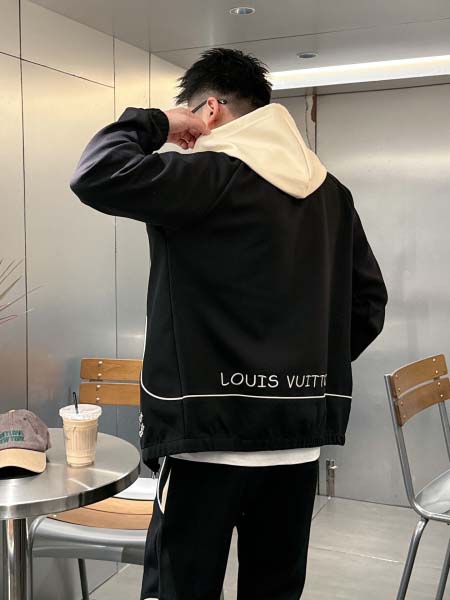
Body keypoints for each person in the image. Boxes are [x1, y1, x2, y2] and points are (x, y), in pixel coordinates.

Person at [70, 47, 388, 600]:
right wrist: (306, 364)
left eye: (192, 118)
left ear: (210, 109)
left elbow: (96, 171)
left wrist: (158, 122)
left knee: (183, 589)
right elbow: (368, 305)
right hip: (296, 443)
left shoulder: (206, 176)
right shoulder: (332, 194)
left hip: (204, 441)